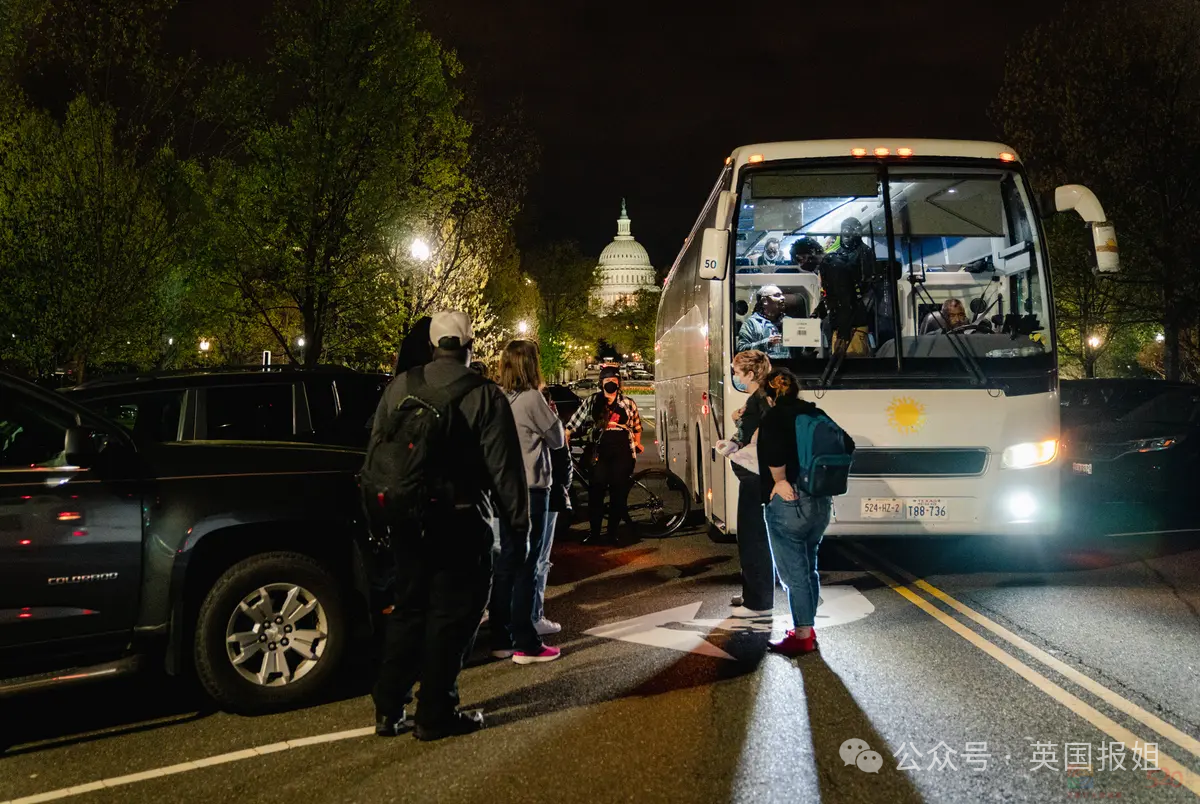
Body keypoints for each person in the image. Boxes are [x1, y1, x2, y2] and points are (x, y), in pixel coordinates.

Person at [369, 310, 529, 741]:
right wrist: (518, 526)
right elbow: (505, 470)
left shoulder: (400, 386)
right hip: (458, 521)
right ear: (468, 345)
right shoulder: (484, 395)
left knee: (408, 610)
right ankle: (436, 711)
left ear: (432, 344)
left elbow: (377, 452)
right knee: (451, 617)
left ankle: (388, 708)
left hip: (406, 521)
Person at [757, 368, 853, 657]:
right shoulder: (815, 413)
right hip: (820, 502)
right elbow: (847, 444)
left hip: (790, 502)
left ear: (770, 394)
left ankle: (801, 636)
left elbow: (774, 453)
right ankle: (807, 630)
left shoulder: (774, 417)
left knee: (793, 574)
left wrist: (779, 481)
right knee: (808, 567)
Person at [489, 340, 565, 664]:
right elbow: (558, 439)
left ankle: (500, 637)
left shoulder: (498, 398)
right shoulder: (533, 399)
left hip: (502, 489)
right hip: (532, 489)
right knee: (527, 565)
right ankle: (526, 643)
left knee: (505, 564)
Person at [714, 350, 776, 618]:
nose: (736, 377)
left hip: (754, 476)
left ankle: (758, 599)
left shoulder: (757, 400)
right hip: (763, 475)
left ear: (750, 374)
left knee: (752, 538)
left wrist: (730, 443)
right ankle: (755, 594)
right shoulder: (768, 398)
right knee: (757, 536)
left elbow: (747, 436)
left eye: (738, 372)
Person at [565, 366, 643, 544]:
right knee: (596, 493)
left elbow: (637, 427)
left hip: (622, 452)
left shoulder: (628, 403)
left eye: (615, 382)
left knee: (617, 494)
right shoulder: (593, 402)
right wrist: (566, 435)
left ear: (619, 384)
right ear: (601, 383)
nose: (611, 385)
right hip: (599, 452)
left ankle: (612, 534)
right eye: (608, 382)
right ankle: (594, 534)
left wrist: (638, 443)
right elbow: (573, 423)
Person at [540, 387, 573, 634]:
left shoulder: (507, 408)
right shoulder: (548, 418)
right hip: (544, 493)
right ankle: (532, 616)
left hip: (509, 495)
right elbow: (562, 456)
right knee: (539, 559)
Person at [736, 285, 790, 360]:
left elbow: (801, 351)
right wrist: (766, 343)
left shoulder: (790, 322)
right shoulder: (751, 323)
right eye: (777, 295)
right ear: (765, 301)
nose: (783, 298)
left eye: (782, 295)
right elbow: (741, 349)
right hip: (762, 369)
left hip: (790, 367)